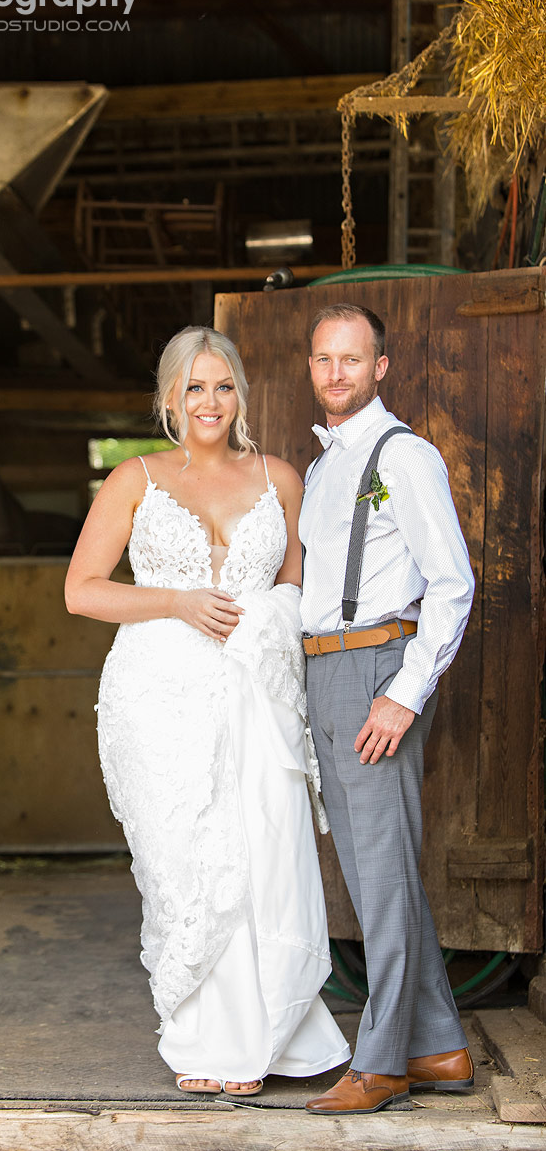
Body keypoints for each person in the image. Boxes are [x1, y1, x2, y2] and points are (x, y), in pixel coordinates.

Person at [65, 325, 350, 1096]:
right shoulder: (134, 479)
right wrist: (177, 600)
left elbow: (299, 593)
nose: (210, 401)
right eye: (194, 387)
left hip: (258, 693)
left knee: (264, 852)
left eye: (223, 386)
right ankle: (209, 1040)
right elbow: (82, 589)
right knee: (187, 862)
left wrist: (269, 621)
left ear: (241, 396)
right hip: (161, 696)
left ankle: (277, 1035)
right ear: (168, 397)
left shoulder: (282, 477)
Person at [299, 303, 475, 1116]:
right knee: (378, 875)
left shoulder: (403, 457)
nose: (335, 372)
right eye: (322, 359)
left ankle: (381, 1063)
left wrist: (403, 695)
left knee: (380, 875)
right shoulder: (325, 464)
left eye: (351, 359)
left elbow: (452, 584)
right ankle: (437, 1046)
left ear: (381, 367)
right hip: (327, 673)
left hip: (377, 670)